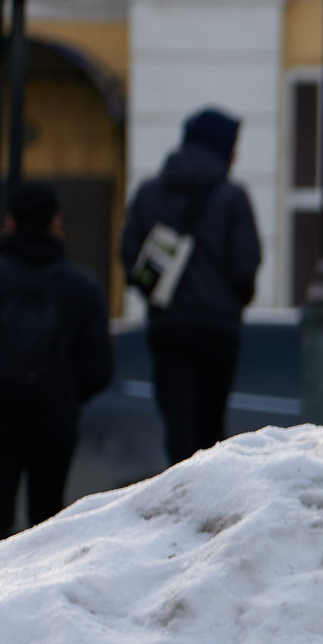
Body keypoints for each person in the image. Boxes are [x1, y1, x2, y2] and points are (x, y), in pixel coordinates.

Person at [119, 107, 262, 465]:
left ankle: (180, 497)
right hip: (218, 330)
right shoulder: (232, 197)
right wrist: (232, 301)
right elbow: (246, 264)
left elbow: (130, 259)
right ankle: (206, 502)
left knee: (178, 427)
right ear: (220, 148)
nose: (236, 155)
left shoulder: (149, 193)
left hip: (168, 327)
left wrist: (159, 297)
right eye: (233, 146)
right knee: (211, 429)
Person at [0, 182, 112, 539]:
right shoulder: (81, 285)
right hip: (53, 420)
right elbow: (99, 368)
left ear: (10, 223)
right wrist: (66, 392)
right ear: (55, 223)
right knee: (46, 527)